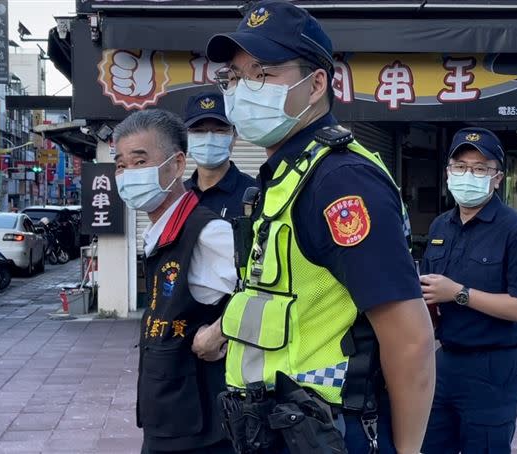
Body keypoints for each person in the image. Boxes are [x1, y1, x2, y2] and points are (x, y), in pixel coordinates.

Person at [193, 1, 436, 452]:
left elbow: (410, 335)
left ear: (316, 84)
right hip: (274, 426)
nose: (244, 89)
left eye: (263, 73)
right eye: (235, 76)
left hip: (326, 431)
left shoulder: (340, 182)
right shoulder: (284, 176)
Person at [113, 108, 237, 454]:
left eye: (140, 162)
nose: (127, 174)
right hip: (166, 415)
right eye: (121, 165)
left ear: (178, 164)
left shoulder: (207, 232)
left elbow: (265, 296)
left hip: (200, 429)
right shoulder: (159, 232)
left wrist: (221, 330)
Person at [419, 128, 517, 454]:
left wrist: (459, 293)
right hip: (444, 362)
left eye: (480, 169)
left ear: (497, 178)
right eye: (460, 167)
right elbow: (429, 294)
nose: (468, 175)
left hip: (493, 368)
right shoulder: (439, 227)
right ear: (448, 172)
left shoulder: (516, 230)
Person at [183, 92, 256, 219]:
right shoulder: (179, 196)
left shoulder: (254, 194)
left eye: (220, 130)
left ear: (234, 136)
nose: (209, 138)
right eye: (199, 131)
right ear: (187, 137)